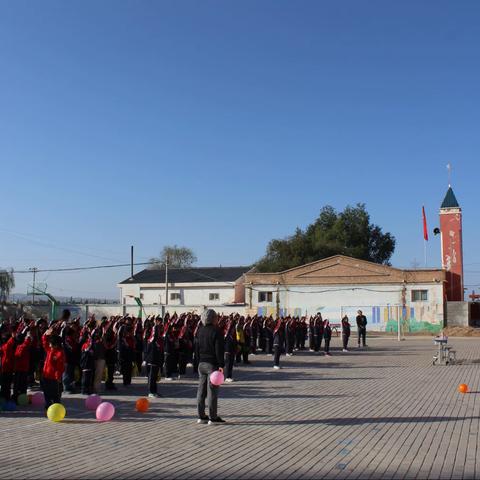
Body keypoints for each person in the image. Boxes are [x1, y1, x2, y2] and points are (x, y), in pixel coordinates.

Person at [196, 309, 225, 425]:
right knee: (212, 391)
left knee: (201, 390)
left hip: (201, 363)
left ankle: (201, 416)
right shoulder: (216, 331)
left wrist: (198, 361)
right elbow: (219, 349)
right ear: (213, 318)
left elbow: (196, 348)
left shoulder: (200, 330)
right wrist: (221, 364)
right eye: (216, 317)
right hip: (212, 364)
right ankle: (213, 418)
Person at [41, 327, 65, 410]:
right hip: (45, 375)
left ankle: (57, 407)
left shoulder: (59, 353)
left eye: (51, 343)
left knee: (55, 394)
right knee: (46, 392)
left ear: (56, 344)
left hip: (53, 378)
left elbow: (60, 367)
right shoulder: (49, 349)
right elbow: (44, 342)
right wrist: (46, 334)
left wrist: (58, 377)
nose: (49, 344)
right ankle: (48, 405)